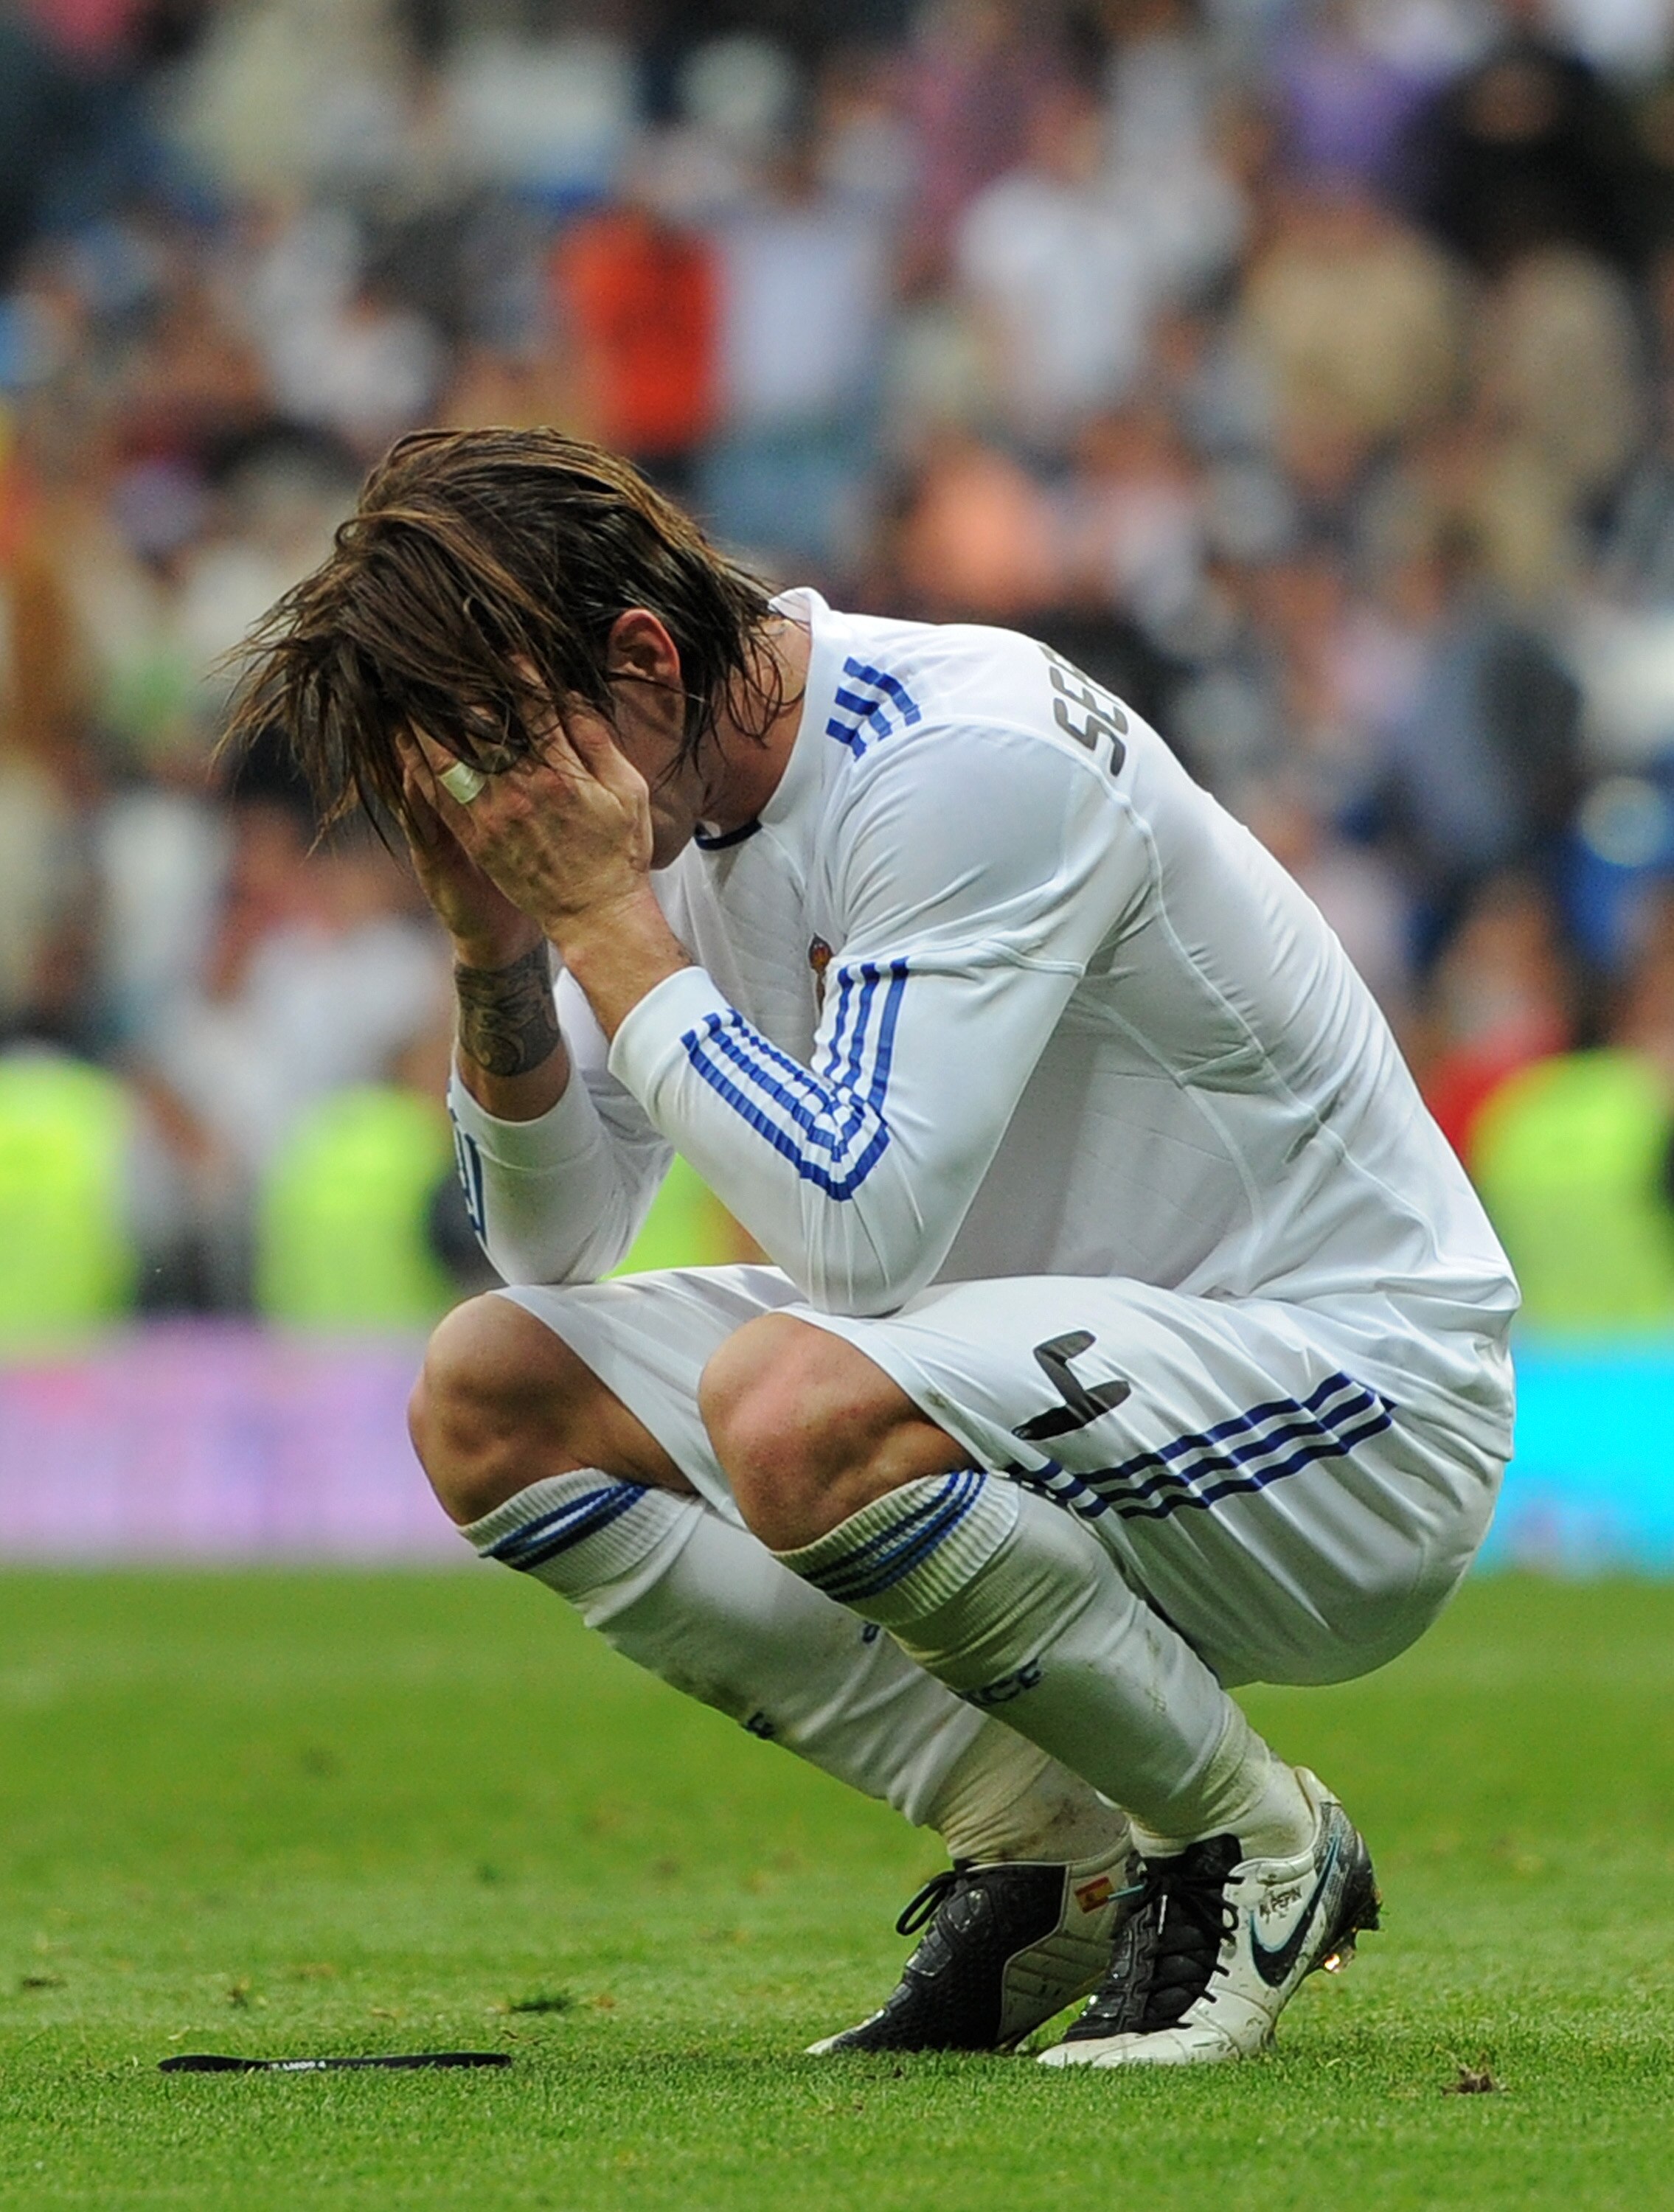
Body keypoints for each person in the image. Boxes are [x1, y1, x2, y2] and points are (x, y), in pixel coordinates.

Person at [226, 428, 1517, 2068]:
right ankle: (1052, 1851)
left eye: (507, 768)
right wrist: (500, 949)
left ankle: (1248, 1845)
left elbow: (856, 1234)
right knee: (491, 1390)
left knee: (795, 1398)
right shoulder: (663, 800)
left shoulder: (957, 757)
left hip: (1354, 1398)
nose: (508, 821)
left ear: (639, 658)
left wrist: (607, 925)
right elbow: (552, 1249)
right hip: (1045, 1375)